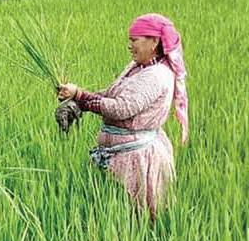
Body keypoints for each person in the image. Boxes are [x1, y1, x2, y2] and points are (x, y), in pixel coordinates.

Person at [57, 13, 190, 219]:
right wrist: (77, 102)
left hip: (137, 159)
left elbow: (122, 108)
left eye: (134, 39)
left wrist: (79, 95)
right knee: (112, 213)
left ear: (154, 41)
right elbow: (111, 94)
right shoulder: (137, 67)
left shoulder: (156, 75)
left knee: (138, 217)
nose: (130, 45)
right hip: (118, 154)